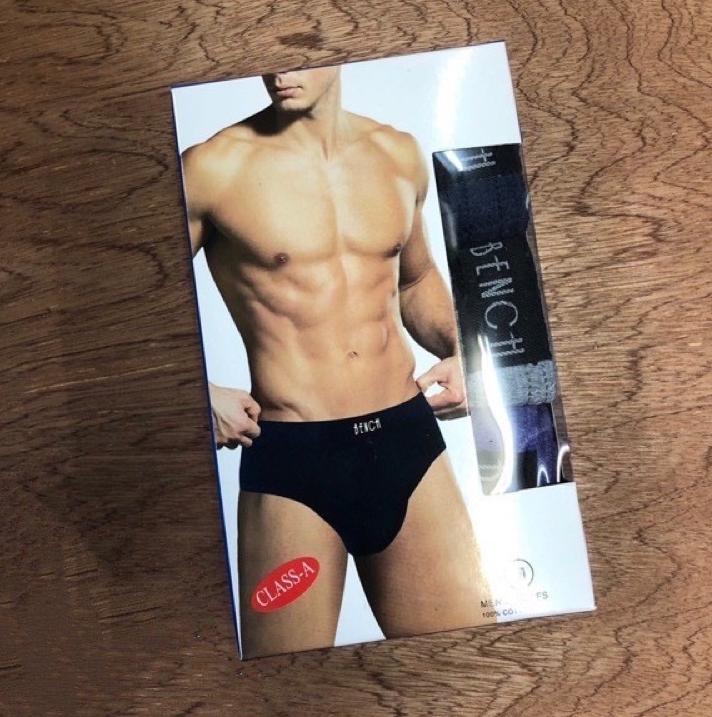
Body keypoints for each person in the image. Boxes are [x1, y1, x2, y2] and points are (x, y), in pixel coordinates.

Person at [181, 66, 491, 658]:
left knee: (463, 666)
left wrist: (467, 351)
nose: (277, 70)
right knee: (285, 688)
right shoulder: (213, 169)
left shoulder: (396, 153)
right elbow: (123, 302)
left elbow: (415, 279)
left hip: (408, 444)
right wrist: (194, 391)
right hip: (294, 462)